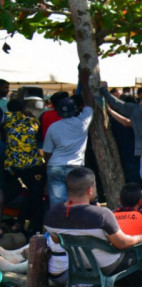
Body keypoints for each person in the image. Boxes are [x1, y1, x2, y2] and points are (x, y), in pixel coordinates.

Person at [43, 167, 142, 287]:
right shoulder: (101, 215)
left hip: (78, 266)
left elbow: (58, 241)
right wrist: (140, 238)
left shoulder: (51, 215)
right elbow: (121, 243)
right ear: (90, 190)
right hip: (108, 265)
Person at [44, 71, 94, 207]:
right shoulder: (82, 122)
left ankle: (58, 226)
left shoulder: (53, 127)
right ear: (76, 109)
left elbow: (47, 152)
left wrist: (49, 167)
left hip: (55, 166)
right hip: (75, 167)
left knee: (57, 203)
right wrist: (85, 83)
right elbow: (90, 103)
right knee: (77, 201)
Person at [2, 99, 45, 234]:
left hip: (12, 166)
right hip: (32, 165)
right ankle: (33, 227)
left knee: (26, 193)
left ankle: (17, 223)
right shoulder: (32, 121)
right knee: (36, 196)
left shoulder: (5, 121)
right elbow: (39, 141)